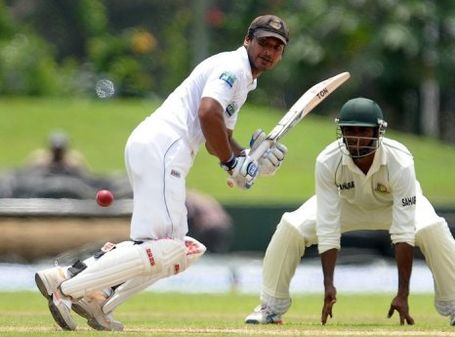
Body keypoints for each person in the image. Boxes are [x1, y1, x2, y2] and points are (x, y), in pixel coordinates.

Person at [35, 14, 289, 331]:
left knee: (180, 252)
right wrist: (231, 163)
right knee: (170, 248)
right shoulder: (233, 68)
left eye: (277, 47)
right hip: (164, 147)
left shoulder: (244, 79)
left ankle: (99, 297)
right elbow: (208, 113)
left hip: (156, 147)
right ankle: (68, 284)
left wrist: (247, 158)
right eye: (264, 42)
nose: (269, 50)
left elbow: (217, 136)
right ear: (247, 40)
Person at [245, 97, 455, 327]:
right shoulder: (328, 160)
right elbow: (327, 226)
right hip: (348, 204)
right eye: (349, 130)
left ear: (378, 132)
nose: (355, 138)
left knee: (431, 228)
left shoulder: (401, 160)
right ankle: (271, 307)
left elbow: (404, 232)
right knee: (292, 227)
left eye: (363, 131)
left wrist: (402, 295)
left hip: (394, 205)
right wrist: (329, 286)